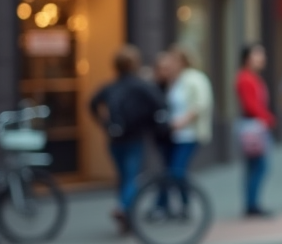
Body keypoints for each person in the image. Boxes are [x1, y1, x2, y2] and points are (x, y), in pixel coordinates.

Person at [89, 44, 165, 234]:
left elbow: (91, 103)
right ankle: (123, 208)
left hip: (115, 138)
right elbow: (159, 105)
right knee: (131, 177)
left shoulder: (111, 87)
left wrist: (103, 123)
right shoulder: (141, 86)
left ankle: (125, 215)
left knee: (123, 177)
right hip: (134, 137)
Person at [152, 47, 214, 216]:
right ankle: (176, 206)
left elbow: (200, 104)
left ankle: (180, 205)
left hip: (189, 134)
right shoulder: (174, 80)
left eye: (173, 61)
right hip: (174, 135)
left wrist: (182, 121)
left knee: (176, 171)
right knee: (172, 171)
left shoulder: (194, 78)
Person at [235, 43, 277, 217]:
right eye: (258, 54)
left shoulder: (252, 77)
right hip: (254, 127)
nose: (262, 58)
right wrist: (268, 118)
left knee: (255, 166)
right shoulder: (245, 78)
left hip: (255, 125)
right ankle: (252, 204)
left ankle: (252, 203)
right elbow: (250, 105)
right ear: (247, 58)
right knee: (259, 166)